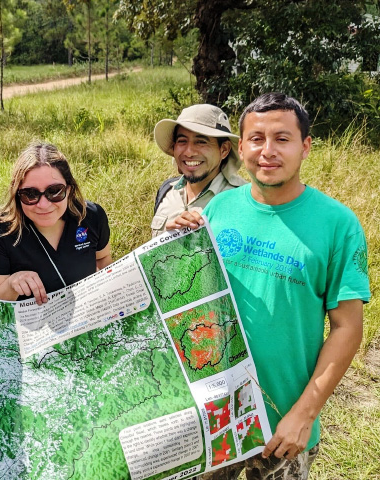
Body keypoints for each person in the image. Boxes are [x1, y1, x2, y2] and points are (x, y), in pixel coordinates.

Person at [168, 93, 370, 480]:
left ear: (305, 146)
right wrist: (176, 249)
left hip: (283, 421)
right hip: (215, 413)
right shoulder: (219, 210)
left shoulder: (338, 225)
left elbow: (348, 328)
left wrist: (304, 414)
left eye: (282, 138)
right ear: (240, 147)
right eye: (257, 139)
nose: (268, 151)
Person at [0, 142, 112, 304]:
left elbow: (103, 259)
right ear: (17, 194)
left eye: (54, 191)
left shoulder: (90, 216)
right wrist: (11, 285)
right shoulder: (0, 233)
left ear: (69, 190)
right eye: (30, 194)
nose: (43, 204)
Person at [151, 104, 245, 237]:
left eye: (201, 142)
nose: (189, 152)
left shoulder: (243, 200)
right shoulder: (166, 191)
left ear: (224, 149)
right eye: (182, 141)